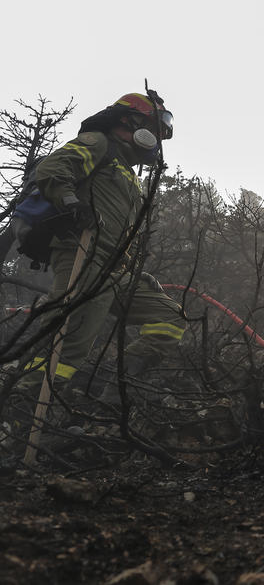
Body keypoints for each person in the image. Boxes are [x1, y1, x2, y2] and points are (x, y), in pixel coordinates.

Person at [16, 91, 186, 410]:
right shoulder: (98, 142)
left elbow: (122, 231)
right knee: (67, 346)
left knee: (169, 317)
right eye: (154, 129)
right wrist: (71, 204)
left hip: (114, 269)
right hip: (83, 255)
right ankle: (20, 406)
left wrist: (136, 270)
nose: (156, 141)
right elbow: (53, 169)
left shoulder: (129, 175)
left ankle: (111, 398)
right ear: (129, 121)